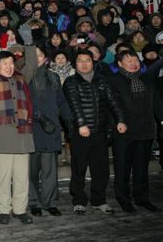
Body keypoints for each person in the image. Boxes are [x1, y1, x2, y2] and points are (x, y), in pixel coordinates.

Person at [0, 24, 37, 225]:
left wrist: (29, 44)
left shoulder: (22, 78)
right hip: (2, 135)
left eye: (11, 63)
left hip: (22, 134)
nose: (9, 66)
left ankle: (20, 210)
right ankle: (3, 209)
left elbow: (33, 66)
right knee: (2, 177)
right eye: (4, 64)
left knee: (21, 177)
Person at [63, 49, 126, 216]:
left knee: (101, 169)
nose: (84, 64)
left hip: (100, 132)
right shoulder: (70, 82)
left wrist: (120, 120)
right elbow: (74, 104)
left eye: (87, 60)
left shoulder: (102, 81)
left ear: (93, 62)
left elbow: (113, 102)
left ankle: (99, 200)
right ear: (75, 64)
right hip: (80, 133)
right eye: (80, 61)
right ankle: (79, 200)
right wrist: (82, 124)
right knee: (79, 168)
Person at [107, 50, 163, 213]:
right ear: (119, 64)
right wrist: (117, 122)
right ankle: (123, 199)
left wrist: (161, 118)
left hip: (145, 130)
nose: (133, 63)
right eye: (128, 60)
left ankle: (142, 198)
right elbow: (111, 106)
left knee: (141, 168)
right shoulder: (113, 81)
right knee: (123, 168)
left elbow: (157, 101)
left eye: (135, 59)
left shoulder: (147, 79)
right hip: (124, 131)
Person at [28, 45, 72, 217]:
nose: (37, 57)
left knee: (49, 171)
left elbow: (61, 101)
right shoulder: (24, 77)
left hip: (51, 128)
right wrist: (37, 115)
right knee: (31, 171)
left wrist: (69, 120)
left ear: (46, 58)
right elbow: (20, 103)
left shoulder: (53, 77)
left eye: (40, 55)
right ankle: (34, 202)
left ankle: (50, 202)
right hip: (32, 128)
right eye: (34, 55)